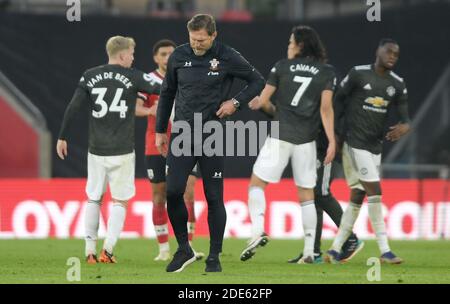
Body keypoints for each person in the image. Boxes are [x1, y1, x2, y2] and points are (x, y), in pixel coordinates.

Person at [155, 14, 265, 272]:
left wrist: (235, 103)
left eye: (202, 40)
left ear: (214, 35)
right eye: (193, 39)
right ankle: (184, 249)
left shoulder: (228, 56)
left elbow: (257, 80)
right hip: (182, 133)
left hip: (212, 133)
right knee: (172, 191)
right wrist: (161, 130)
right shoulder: (179, 56)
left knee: (213, 196)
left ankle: (215, 255)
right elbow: (167, 92)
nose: (197, 44)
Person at [56, 36, 160, 264]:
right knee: (120, 202)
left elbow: (74, 106)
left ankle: (89, 251)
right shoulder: (134, 76)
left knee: (94, 198)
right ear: (122, 55)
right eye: (131, 54)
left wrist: (62, 136)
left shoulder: (90, 75)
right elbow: (162, 87)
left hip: (96, 150)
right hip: (122, 150)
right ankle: (108, 251)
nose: (133, 58)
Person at [240, 25, 336, 264]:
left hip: (280, 135)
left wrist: (257, 103)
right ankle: (308, 252)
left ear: (301, 45)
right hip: (307, 140)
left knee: (257, 184)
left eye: (291, 42)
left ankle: (257, 231)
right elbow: (325, 109)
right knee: (306, 194)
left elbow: (264, 102)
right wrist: (333, 141)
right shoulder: (326, 72)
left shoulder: (282, 66)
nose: (288, 46)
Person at [325, 38, 410, 264]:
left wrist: (404, 127)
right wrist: (335, 134)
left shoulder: (397, 83)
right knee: (375, 191)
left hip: (375, 146)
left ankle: (335, 248)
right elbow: (338, 102)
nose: (393, 56)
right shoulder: (358, 74)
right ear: (378, 51)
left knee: (358, 195)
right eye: (389, 52)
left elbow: (405, 119)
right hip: (354, 143)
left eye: (396, 54)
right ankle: (385, 250)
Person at [135, 39, 204, 261]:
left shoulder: (187, 75)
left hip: (186, 141)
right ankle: (163, 249)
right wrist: (151, 111)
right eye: (163, 54)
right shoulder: (148, 80)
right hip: (156, 145)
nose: (167, 57)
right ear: (156, 58)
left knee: (188, 193)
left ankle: (188, 247)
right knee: (159, 196)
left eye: (170, 54)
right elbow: (136, 108)